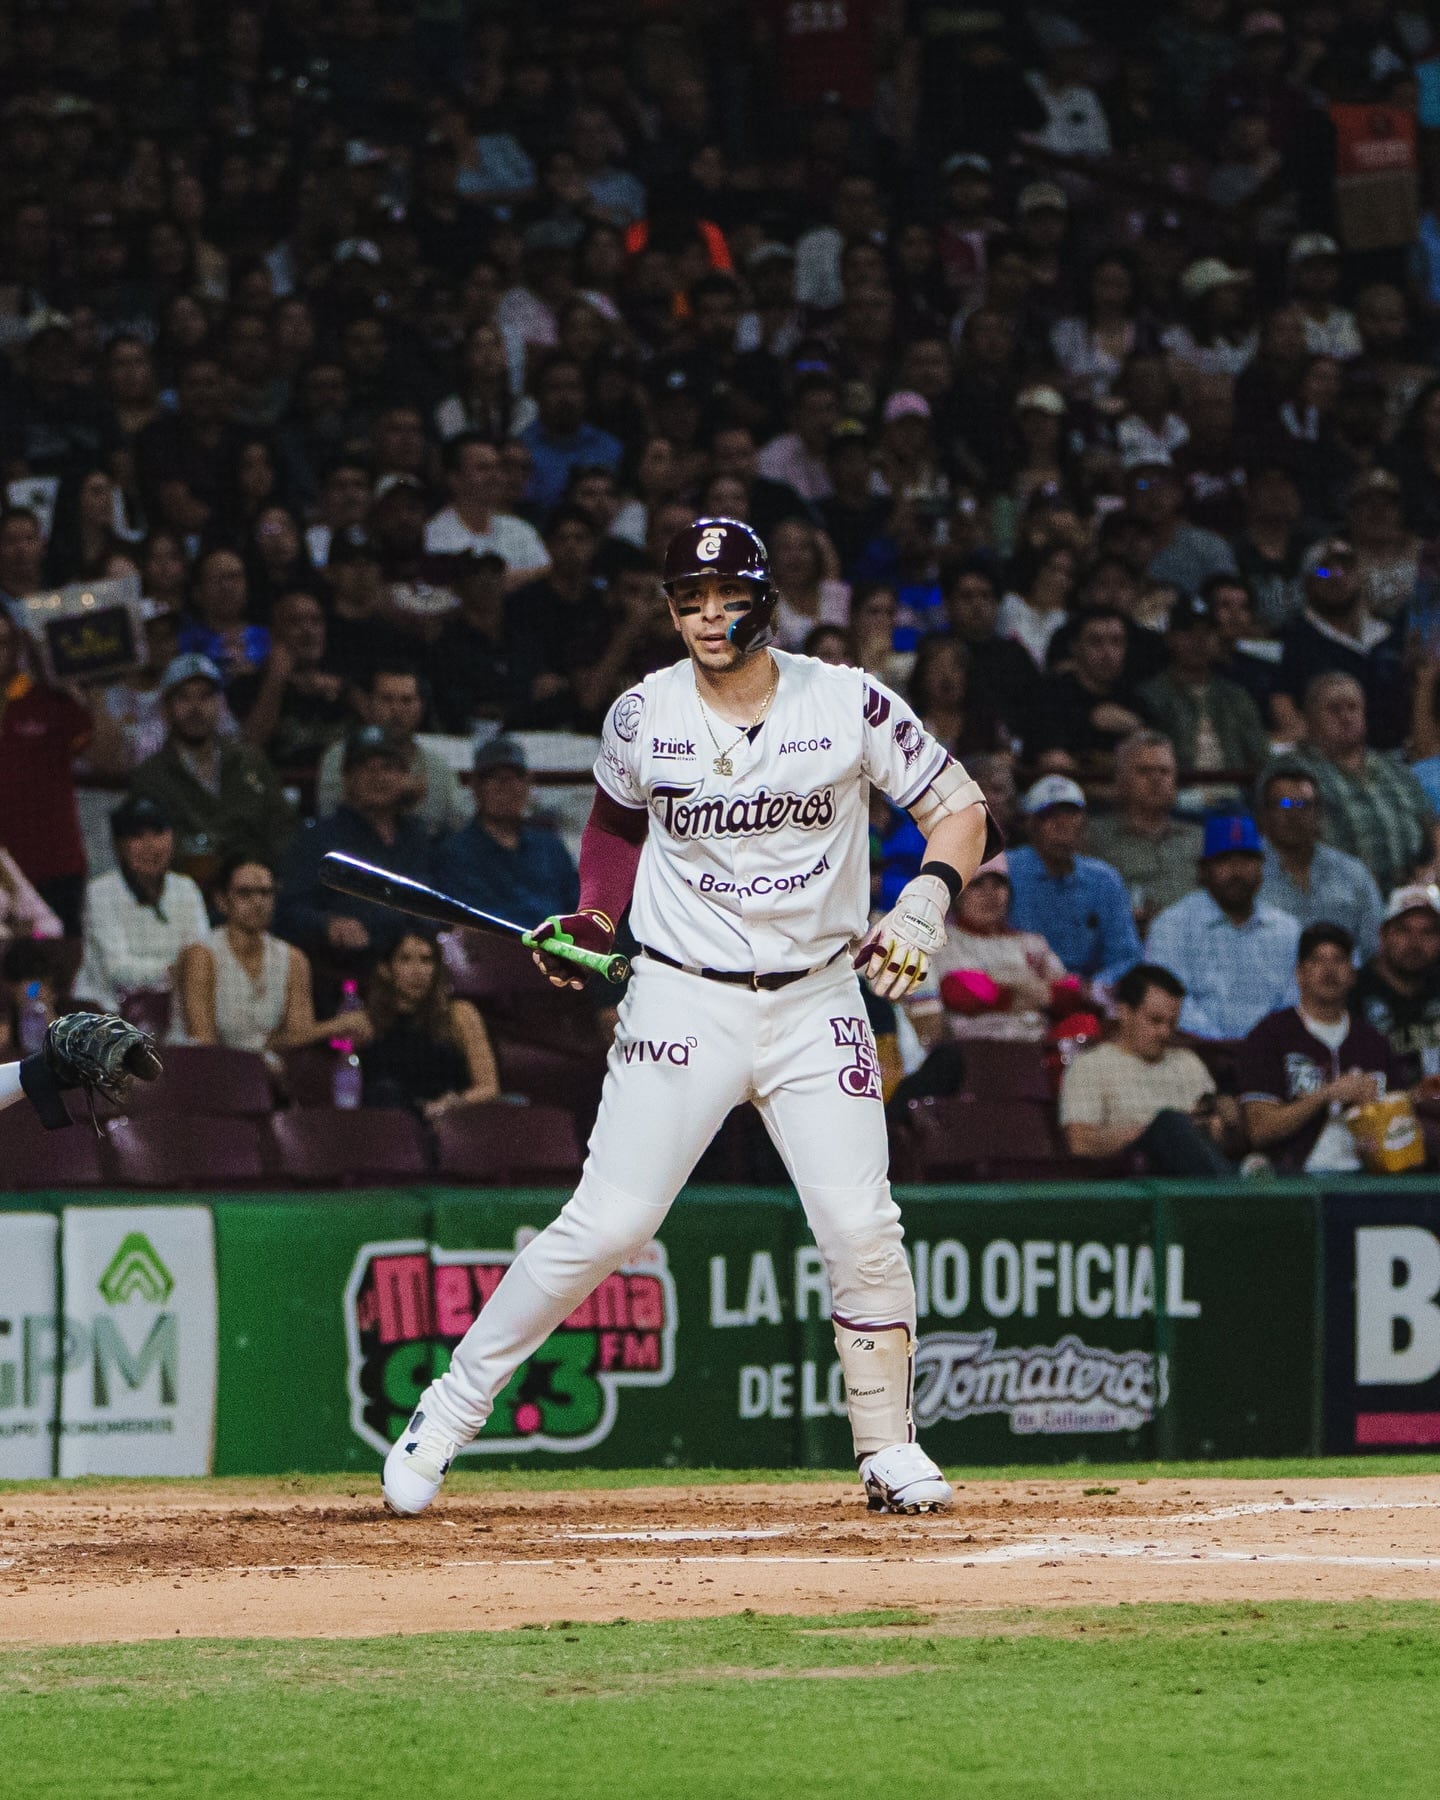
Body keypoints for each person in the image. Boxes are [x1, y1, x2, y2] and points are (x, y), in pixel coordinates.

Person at [382, 516, 999, 1520]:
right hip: (682, 994)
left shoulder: (844, 699)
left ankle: (889, 1449)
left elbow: (959, 808)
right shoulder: (641, 714)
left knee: (859, 1224)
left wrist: (924, 903)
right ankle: (445, 1412)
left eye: (727, 596)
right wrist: (591, 918)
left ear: (765, 599)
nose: (708, 617)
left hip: (816, 995)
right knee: (612, 1221)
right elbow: (616, 826)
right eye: (688, 600)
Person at [1238, 924, 1411, 1173]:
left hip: (1367, 1176)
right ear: (1300, 973)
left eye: (1339, 960)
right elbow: (1260, 1130)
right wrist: (1325, 1094)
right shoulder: (1270, 1035)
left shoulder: (1373, 1041)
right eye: (1317, 960)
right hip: (1296, 1177)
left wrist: (1375, 1112)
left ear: (1352, 974)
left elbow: (1401, 1126)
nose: (1329, 970)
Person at [175, 855, 366, 1060]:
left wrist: (338, 1025)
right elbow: (203, 1042)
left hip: (263, 1074)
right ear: (222, 901)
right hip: (203, 1073)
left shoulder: (292, 958)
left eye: (266, 893)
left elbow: (297, 1033)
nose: (257, 902)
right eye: (244, 893)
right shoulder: (202, 955)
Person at [277, 726, 435, 966]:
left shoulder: (418, 838)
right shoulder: (320, 839)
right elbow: (288, 910)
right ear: (347, 777)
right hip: (350, 970)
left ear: (404, 776)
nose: (377, 778)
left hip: (417, 966)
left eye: (388, 768)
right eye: (366, 768)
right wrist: (328, 924)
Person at [130, 654, 295, 884]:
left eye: (205, 696)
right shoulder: (150, 777)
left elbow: (282, 829)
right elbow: (152, 848)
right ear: (166, 708)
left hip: (259, 885)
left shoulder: (250, 762)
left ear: (220, 703)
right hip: (189, 893)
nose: (196, 708)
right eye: (184, 697)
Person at [1060, 963, 1236, 1175]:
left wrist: (1220, 1126)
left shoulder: (1188, 1062)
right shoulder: (1090, 1067)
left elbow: (1219, 1138)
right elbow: (1080, 1143)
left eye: (1172, 1023)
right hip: (1133, 1178)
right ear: (1124, 1013)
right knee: (1169, 1123)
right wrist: (1151, 1132)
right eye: (1155, 1021)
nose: (1165, 1032)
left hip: (1195, 1175)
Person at [1145, 814, 1300, 1040]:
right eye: (1225, 860)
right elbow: (1168, 1001)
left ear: (1261, 868)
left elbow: (1293, 1003)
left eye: (1247, 860)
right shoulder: (1172, 925)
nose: (1237, 871)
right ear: (1203, 870)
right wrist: (1222, 1045)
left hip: (1273, 1056)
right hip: (1196, 1053)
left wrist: (1260, 1049)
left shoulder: (1287, 929)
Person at [1278, 673, 1434, 898]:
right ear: (1308, 719)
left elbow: (1432, 825)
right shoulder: (1290, 771)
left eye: (1353, 708)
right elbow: (1282, 815)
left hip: (1409, 895)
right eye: (1334, 709)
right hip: (1331, 894)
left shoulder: (1396, 770)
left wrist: (1431, 870)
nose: (1345, 717)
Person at [902, 855, 1068, 1047]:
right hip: (967, 1053)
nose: (990, 894)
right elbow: (961, 994)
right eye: (977, 884)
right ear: (958, 894)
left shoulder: (1032, 944)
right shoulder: (938, 943)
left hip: (1033, 1049)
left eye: (998, 884)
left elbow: (1064, 994)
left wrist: (1000, 988)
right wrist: (1024, 989)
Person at [74, 796, 208, 1018]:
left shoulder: (186, 888)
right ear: (119, 845)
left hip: (173, 1008)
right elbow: (117, 969)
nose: (150, 846)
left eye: (158, 833)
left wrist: (188, 971)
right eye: (137, 836)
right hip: (108, 1011)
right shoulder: (101, 891)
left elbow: (199, 952)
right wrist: (172, 971)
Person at [1005, 776, 1142, 987]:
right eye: (1049, 816)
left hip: (1090, 996)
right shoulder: (1008, 870)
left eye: (1071, 815)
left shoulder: (1104, 880)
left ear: (1084, 823)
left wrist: (1093, 988)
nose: (1062, 825)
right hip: (1023, 988)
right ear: (1031, 825)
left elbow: (1126, 957)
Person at [1271, 538, 1405, 750]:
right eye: (1323, 571)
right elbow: (1281, 696)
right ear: (1307, 583)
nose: (1335, 577)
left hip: (1397, 752)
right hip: (1329, 754)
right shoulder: (1297, 637)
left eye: (1346, 569)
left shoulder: (1389, 634)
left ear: (1361, 576)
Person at [355, 928, 500, 1119]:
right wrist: (336, 1027)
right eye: (405, 959)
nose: (418, 971)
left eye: (426, 960)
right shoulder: (368, 1019)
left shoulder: (459, 1014)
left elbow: (489, 1087)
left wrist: (451, 1103)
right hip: (391, 1123)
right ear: (385, 969)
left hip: (451, 1120)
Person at [434, 738, 580, 927]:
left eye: (514, 779)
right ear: (476, 788)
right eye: (495, 779)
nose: (506, 788)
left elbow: (577, 907)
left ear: (527, 785)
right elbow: (471, 922)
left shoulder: (550, 847)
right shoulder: (455, 853)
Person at [315, 663, 470, 839]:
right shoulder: (339, 756)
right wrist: (394, 797)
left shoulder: (437, 767)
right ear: (370, 703)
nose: (397, 710)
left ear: (421, 706)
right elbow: (328, 814)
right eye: (387, 699)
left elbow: (460, 823)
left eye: (406, 700)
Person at [1136, 595, 1269, 784]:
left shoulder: (1236, 696)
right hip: (1177, 793)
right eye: (1188, 631)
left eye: (1207, 632)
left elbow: (1259, 756)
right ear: (1170, 638)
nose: (1198, 640)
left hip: (1235, 794)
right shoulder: (1150, 696)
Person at [1257, 764, 1384, 960]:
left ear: (1318, 813)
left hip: (1344, 985)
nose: (1293, 815)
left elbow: (1374, 947)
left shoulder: (1352, 872)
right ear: (1264, 813)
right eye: (1283, 804)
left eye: (1303, 805)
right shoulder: (1246, 874)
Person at [1085, 732, 1204, 927]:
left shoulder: (1200, 839)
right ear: (1121, 780)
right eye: (1144, 771)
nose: (1156, 779)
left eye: (1164, 771)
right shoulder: (1093, 838)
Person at [228, 589, 350, 776]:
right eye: (296, 622)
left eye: (316, 621)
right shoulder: (247, 684)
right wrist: (276, 679)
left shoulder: (341, 680)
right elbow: (248, 749)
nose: (308, 630)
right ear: (275, 632)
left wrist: (347, 690)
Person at [422, 434, 550, 588]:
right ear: (454, 479)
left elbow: (549, 572)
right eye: (482, 468)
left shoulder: (519, 529)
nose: (495, 476)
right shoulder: (435, 534)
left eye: (497, 467)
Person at [1353, 885, 1440, 1084]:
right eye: (1403, 930)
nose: (1415, 943)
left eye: (1428, 932)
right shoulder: (1354, 992)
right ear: (1383, 936)